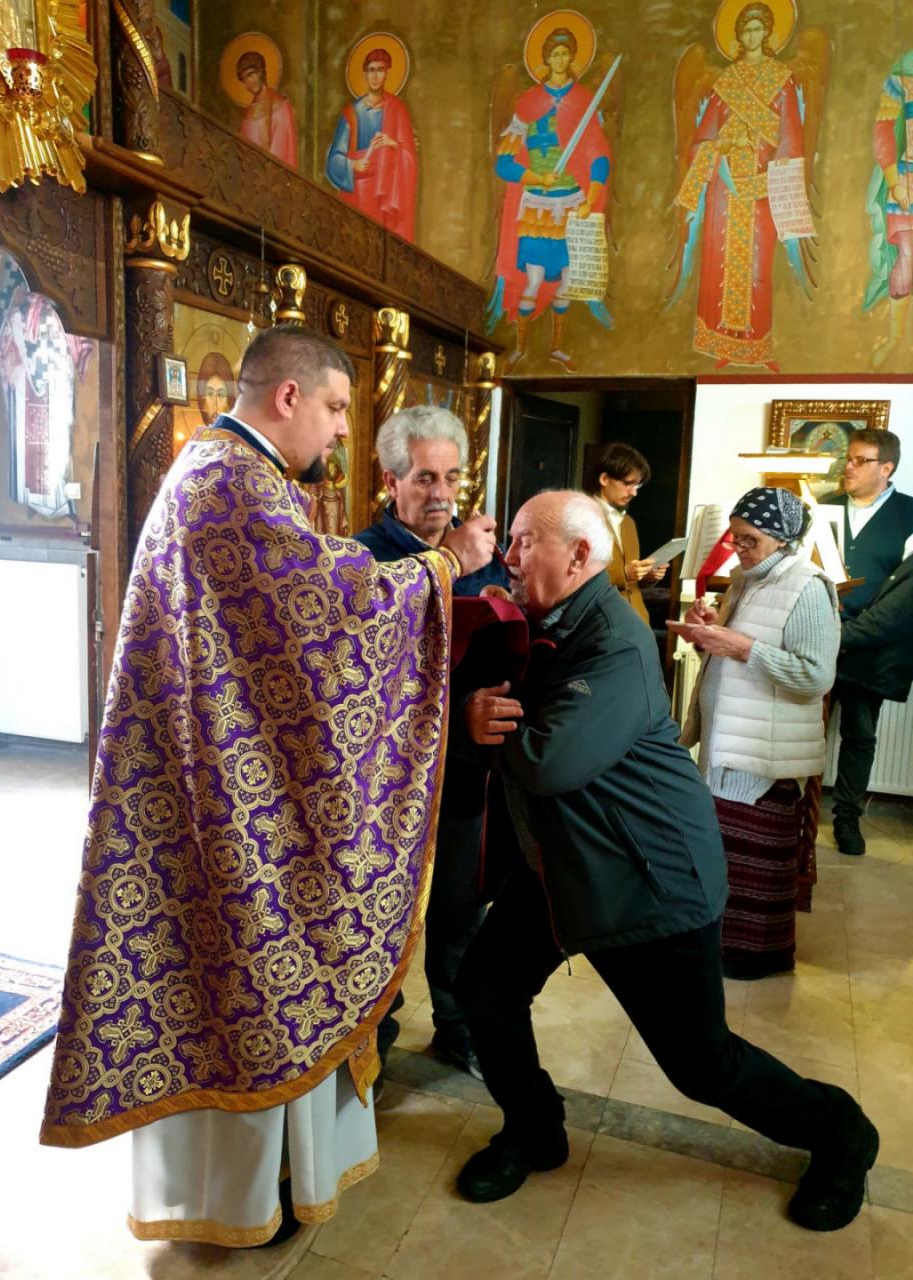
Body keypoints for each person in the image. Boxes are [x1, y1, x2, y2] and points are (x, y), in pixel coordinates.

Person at [39, 327, 497, 1247]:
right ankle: (248, 1196)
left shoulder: (230, 475)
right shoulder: (231, 484)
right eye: (336, 408)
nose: (341, 430)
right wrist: (446, 566)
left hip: (217, 772)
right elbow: (334, 609)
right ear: (289, 396)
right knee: (249, 976)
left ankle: (261, 1185)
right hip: (219, 795)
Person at [452, 489, 878, 1233]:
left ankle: (843, 1134)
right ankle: (534, 1128)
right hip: (564, 865)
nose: (508, 556)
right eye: (509, 539)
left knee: (700, 1064)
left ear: (579, 556)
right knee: (486, 991)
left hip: (646, 878)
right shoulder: (547, 619)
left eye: (524, 542)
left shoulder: (612, 641)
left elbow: (550, 761)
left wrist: (474, 725)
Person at [354, 406, 508, 1082]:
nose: (442, 494)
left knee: (460, 910)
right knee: (380, 917)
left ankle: (457, 1028)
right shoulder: (362, 559)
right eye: (424, 478)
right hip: (385, 786)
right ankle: (373, 1041)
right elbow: (364, 675)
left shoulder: (485, 555)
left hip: (465, 772)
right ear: (391, 481)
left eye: (452, 477)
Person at [680, 488, 838, 978]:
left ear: (782, 538)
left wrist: (741, 646)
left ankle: (757, 957)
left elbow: (815, 676)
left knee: (755, 863)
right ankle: (724, 950)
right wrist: (710, 628)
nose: (738, 548)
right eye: (735, 537)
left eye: (749, 539)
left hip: (764, 751)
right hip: (732, 739)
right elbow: (739, 647)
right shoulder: (746, 580)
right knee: (725, 857)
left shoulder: (807, 586)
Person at [672, 3, 807, 370]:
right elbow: (702, 141)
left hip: (762, 187)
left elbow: (791, 136)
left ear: (768, 33)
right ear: (738, 36)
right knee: (720, 260)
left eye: (757, 29)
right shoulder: (726, 83)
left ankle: (757, 347)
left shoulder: (782, 80)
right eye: (746, 30)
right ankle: (722, 344)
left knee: (757, 264)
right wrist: (727, 143)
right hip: (726, 188)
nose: (752, 36)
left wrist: (776, 174)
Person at [490, 25, 612, 371]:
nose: (559, 59)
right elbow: (504, 163)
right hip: (537, 207)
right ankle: (520, 349)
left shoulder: (584, 102)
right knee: (533, 280)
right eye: (554, 54)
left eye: (565, 53)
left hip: (571, 202)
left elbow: (599, 155)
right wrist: (536, 177)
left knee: (568, 281)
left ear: (572, 57)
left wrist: (591, 196)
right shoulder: (528, 104)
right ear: (545, 59)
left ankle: (556, 348)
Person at [823, 429, 913, 854]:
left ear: (886, 468)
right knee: (802, 729)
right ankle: (793, 811)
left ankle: (847, 819)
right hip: (818, 638)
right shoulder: (822, 507)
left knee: (859, 735)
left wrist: (858, 633)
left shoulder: (909, 515)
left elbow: (903, 596)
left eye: (861, 460)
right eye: (849, 458)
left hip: (870, 647)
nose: (849, 466)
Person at [325, 47, 417, 241]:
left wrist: (393, 144)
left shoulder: (397, 110)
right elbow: (333, 160)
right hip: (358, 194)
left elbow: (409, 158)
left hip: (386, 195)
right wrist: (353, 165)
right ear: (365, 74)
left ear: (387, 74)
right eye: (371, 70)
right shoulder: (352, 113)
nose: (375, 76)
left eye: (380, 70)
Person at [864, 49, 913, 367]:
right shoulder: (903, 74)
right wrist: (895, 182)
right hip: (908, 179)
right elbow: (883, 131)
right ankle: (895, 337)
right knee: (907, 258)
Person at [589, 441, 667, 625]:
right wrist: (623, 574)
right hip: (603, 623)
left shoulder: (628, 523)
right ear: (604, 479)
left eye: (637, 486)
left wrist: (647, 575)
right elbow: (573, 580)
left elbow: (632, 583)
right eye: (628, 484)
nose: (634, 493)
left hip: (637, 621)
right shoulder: (582, 517)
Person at [236, 49, 298, 167]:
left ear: (260, 72)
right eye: (244, 79)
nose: (248, 83)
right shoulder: (248, 114)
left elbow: (287, 149)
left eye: (250, 75)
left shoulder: (281, 105)